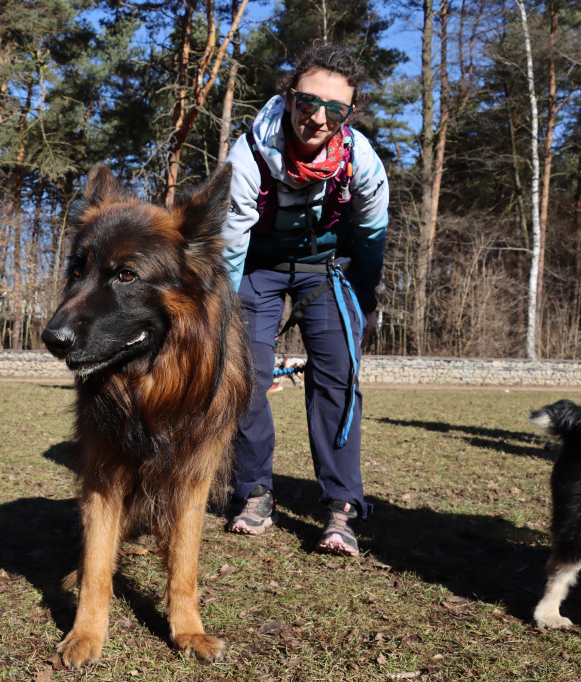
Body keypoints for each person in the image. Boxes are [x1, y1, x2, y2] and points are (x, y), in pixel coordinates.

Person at [220, 44, 389, 556]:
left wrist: (363, 301)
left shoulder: (362, 161)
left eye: (335, 109)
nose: (317, 117)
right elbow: (230, 245)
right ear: (288, 96)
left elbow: (370, 237)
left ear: (348, 115)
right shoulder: (248, 153)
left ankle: (342, 506)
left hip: (326, 266)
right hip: (257, 267)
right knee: (244, 372)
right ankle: (253, 491)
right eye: (307, 102)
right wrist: (224, 315)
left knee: (339, 373)